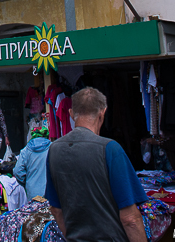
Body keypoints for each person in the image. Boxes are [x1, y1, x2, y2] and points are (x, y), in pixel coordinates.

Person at [44, 87, 147, 242]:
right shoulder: (110, 149)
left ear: (71, 114)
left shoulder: (54, 150)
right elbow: (130, 219)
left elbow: (56, 210)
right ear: (102, 113)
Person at [14, 127, 51, 199]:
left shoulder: (26, 150)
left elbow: (17, 171)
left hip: (33, 192)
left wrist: (27, 183)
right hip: (50, 192)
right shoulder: (53, 148)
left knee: (34, 210)